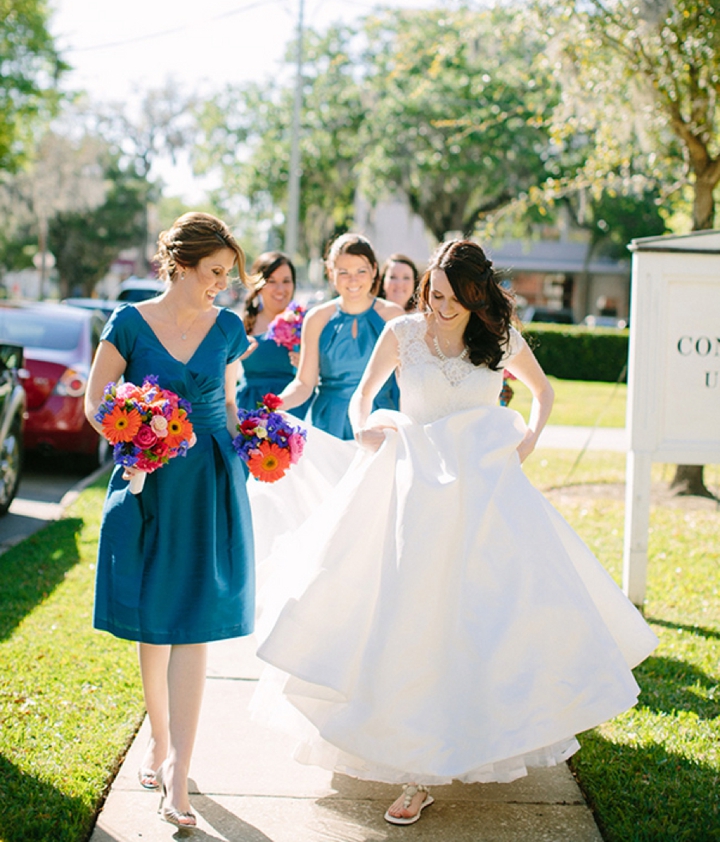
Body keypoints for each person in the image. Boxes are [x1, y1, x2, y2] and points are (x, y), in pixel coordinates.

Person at [251, 239, 657, 827]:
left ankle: (479, 734)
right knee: (408, 621)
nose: (438, 306)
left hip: (482, 495)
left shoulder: (500, 339)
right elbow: (363, 396)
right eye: (432, 294)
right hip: (410, 489)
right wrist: (366, 429)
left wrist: (529, 439)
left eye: (451, 298)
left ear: (475, 296)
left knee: (486, 621)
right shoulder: (404, 334)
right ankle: (414, 768)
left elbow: (542, 394)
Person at [85, 212, 254, 830]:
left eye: (227, 276)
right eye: (214, 272)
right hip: (149, 483)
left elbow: (232, 407)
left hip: (209, 484)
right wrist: (136, 434)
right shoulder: (128, 322)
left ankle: (178, 775)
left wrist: (255, 446)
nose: (221, 285)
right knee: (154, 626)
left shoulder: (229, 327)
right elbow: (97, 400)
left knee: (195, 624)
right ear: (181, 264)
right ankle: (160, 744)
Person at [278, 233, 403, 437]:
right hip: (329, 425)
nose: (353, 280)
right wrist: (275, 405)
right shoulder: (316, 318)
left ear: (374, 270)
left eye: (361, 271)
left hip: (379, 423)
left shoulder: (394, 316)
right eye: (343, 272)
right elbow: (304, 384)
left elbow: (406, 382)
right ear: (331, 273)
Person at [236, 251, 309, 418]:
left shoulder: (306, 323)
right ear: (259, 285)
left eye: (286, 281)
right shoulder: (243, 325)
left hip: (295, 410)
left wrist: (308, 367)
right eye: (272, 281)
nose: (280, 289)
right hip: (251, 408)